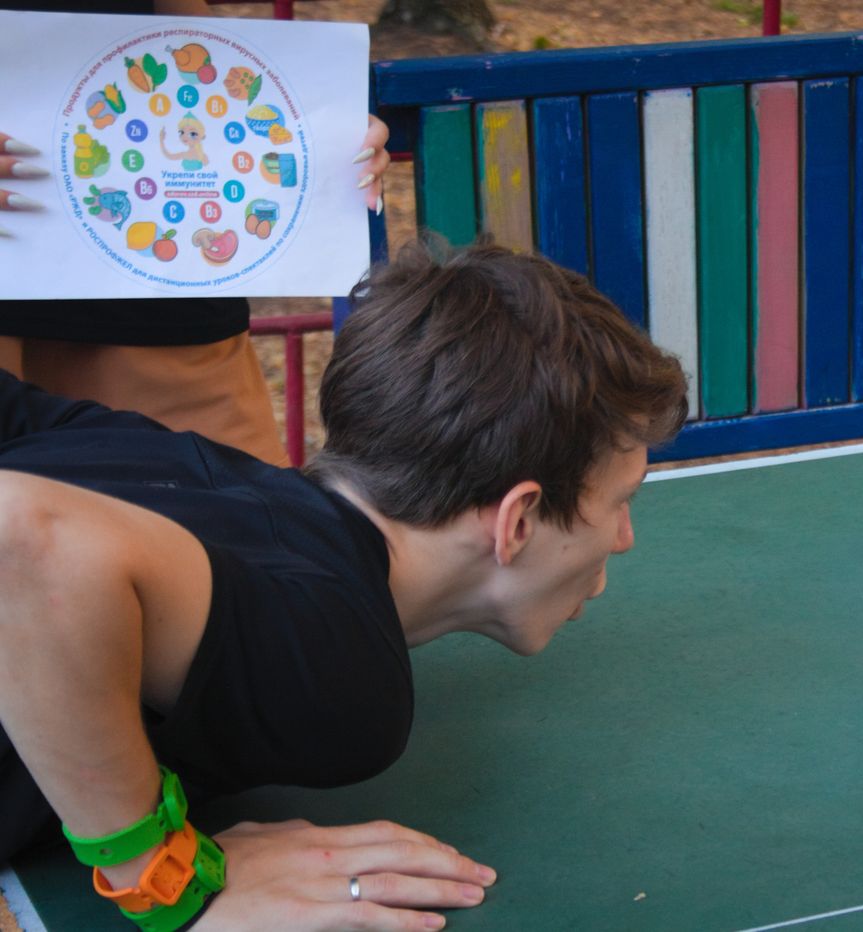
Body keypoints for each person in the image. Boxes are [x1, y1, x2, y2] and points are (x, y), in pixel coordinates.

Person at [0, 241, 690, 930]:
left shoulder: (179, 459)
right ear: (517, 523)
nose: (624, 538)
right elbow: (27, 540)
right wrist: (163, 874)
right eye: (621, 500)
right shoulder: (338, 667)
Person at [0, 0, 392, 467]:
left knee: (245, 506)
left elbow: (200, 44)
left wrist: (321, 130)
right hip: (77, 324)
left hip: (167, 326)